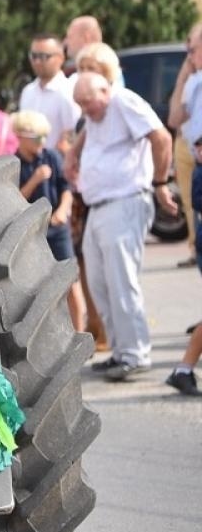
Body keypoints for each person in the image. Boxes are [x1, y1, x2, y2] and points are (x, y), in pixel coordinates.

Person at [73, 71, 175, 381]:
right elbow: (89, 136)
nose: (87, 111)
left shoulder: (123, 101)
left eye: (89, 103)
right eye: (82, 106)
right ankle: (120, 351)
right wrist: (73, 155)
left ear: (105, 90)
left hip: (126, 200)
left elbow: (161, 137)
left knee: (121, 281)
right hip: (100, 205)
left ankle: (135, 353)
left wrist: (159, 182)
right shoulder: (97, 112)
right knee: (100, 282)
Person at [14, 110, 86, 330]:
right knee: (39, 287)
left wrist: (63, 210)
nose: (42, 142)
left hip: (57, 229)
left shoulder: (52, 157)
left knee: (72, 281)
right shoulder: (14, 163)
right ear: (21, 137)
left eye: (45, 137)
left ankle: (80, 332)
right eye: (37, 138)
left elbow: (66, 188)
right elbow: (15, 200)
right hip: (34, 232)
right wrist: (35, 180)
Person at [167, 23, 202, 265]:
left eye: (193, 49)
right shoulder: (194, 81)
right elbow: (174, 118)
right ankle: (195, 248)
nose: (188, 54)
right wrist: (182, 76)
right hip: (192, 149)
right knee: (192, 204)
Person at [19, 34, 80, 154]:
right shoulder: (28, 91)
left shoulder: (68, 91)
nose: (36, 61)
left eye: (43, 56)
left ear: (61, 57)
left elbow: (72, 134)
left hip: (57, 165)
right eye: (33, 56)